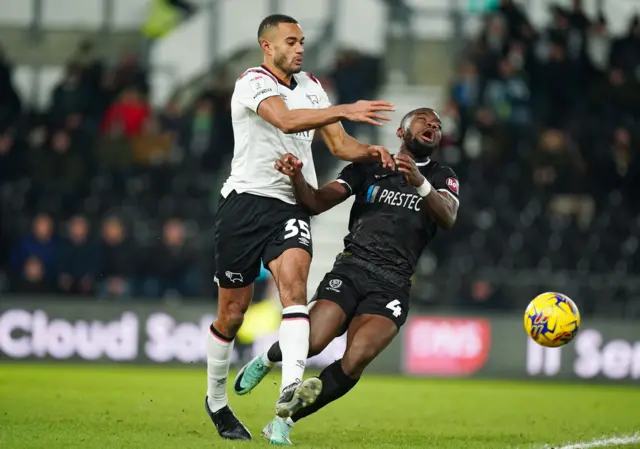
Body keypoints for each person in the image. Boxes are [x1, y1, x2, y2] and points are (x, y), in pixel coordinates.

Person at [205, 14, 397, 441]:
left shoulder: (312, 87)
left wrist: (372, 151)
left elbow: (339, 144)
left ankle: (290, 387)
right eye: (291, 41)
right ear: (267, 47)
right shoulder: (252, 82)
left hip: (290, 203)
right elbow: (286, 121)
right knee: (231, 314)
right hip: (244, 205)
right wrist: (346, 107)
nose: (300, 48)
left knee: (294, 288)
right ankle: (216, 401)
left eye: (302, 41)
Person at [234, 107, 460, 445]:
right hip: (353, 267)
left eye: (438, 124)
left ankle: (285, 421)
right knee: (312, 343)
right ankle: (269, 358)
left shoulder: (442, 176)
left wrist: (421, 183)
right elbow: (315, 202)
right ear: (401, 132)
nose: (433, 124)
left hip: (394, 283)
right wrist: (297, 177)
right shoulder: (371, 165)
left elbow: (448, 218)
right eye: (425, 119)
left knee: (356, 360)